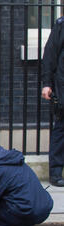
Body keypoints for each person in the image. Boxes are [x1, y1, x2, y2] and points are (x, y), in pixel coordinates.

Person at [42, 16, 64, 187]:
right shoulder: (61, 26)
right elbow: (50, 55)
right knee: (61, 128)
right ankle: (55, 173)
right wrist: (47, 84)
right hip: (63, 84)